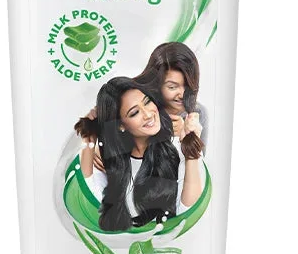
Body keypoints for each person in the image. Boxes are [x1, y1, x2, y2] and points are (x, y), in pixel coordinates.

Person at [74, 77, 204, 232]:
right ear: (121, 125)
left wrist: (191, 150)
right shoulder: (112, 163)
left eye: (147, 102)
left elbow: (189, 212)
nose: (148, 114)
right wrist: (89, 136)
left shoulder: (178, 148)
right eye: (135, 112)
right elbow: (86, 192)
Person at [136, 42, 209, 147]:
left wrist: (187, 138)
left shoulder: (198, 112)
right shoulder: (140, 106)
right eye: (172, 87)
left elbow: (200, 157)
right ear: (156, 83)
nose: (182, 95)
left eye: (187, 86)